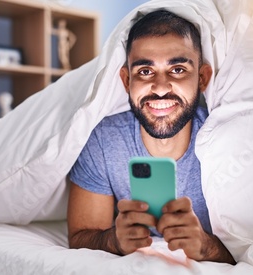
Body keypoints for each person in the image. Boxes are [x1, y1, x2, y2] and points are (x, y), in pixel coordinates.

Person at [67, 9, 235, 264]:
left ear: (202, 78)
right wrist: (113, 240)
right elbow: (80, 237)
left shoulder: (228, 140)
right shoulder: (104, 140)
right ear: (126, 81)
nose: (160, 88)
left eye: (177, 69)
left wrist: (205, 246)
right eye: (145, 71)